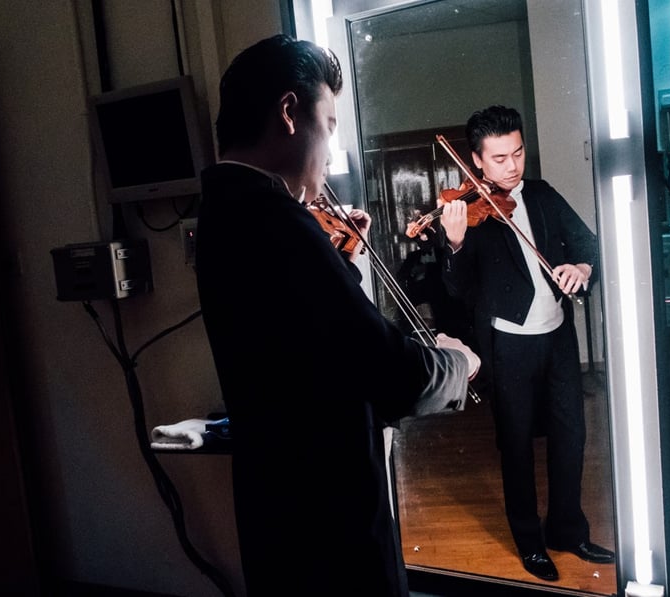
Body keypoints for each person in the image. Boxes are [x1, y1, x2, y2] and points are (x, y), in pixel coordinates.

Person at [194, 34, 481, 596]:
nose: (328, 153)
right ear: (288, 113)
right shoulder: (277, 221)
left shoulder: (223, 210)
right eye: (327, 125)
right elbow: (390, 374)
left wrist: (338, 260)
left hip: (275, 513)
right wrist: (457, 363)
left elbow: (299, 339)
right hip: (329, 524)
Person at [438, 105, 613, 582]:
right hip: (509, 345)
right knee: (516, 446)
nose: (512, 166)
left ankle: (567, 531)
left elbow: (588, 244)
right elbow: (458, 291)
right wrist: (455, 245)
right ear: (477, 161)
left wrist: (582, 268)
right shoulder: (467, 214)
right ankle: (530, 543)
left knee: (571, 436)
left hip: (557, 337)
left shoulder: (541, 194)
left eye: (517, 153)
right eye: (498, 159)